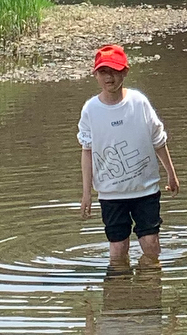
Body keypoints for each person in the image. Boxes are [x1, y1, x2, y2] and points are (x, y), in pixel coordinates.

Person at [77, 44, 180, 271]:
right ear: (95, 75)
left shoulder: (139, 103)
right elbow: (87, 150)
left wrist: (171, 174)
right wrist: (86, 194)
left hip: (145, 189)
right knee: (117, 251)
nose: (109, 77)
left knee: (151, 244)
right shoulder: (90, 110)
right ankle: (118, 297)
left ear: (125, 71)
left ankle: (151, 292)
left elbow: (158, 140)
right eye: (103, 72)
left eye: (114, 70)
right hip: (110, 193)